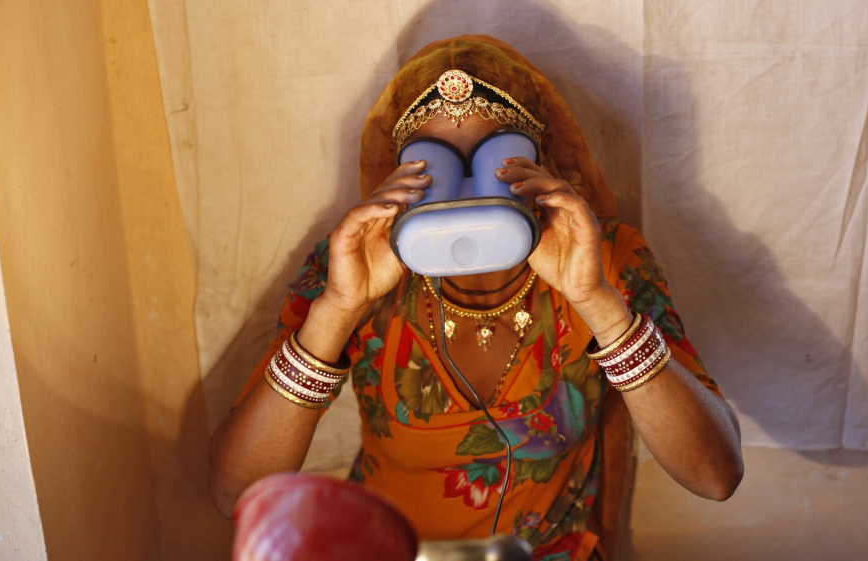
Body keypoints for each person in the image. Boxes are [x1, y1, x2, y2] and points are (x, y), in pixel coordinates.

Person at [208, 35, 743, 560]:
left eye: (492, 163)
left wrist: (595, 299)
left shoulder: (604, 258)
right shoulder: (354, 264)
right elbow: (234, 492)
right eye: (434, 168)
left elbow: (716, 476)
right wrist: (338, 310)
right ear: (399, 179)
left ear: (542, 164)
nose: (467, 193)